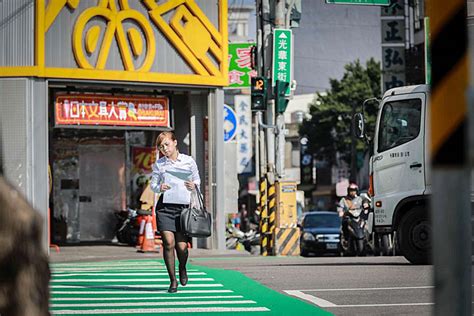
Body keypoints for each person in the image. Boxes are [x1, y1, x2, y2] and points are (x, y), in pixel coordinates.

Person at [150, 131, 201, 293]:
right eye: (161, 146)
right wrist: (160, 187)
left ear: (175, 142)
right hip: (165, 207)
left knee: (182, 247)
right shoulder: (160, 164)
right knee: (168, 243)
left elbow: (197, 179)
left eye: (167, 144)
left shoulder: (188, 161)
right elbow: (153, 184)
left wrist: (194, 185)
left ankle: (183, 268)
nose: (164, 149)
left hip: (183, 207)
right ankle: (172, 281)